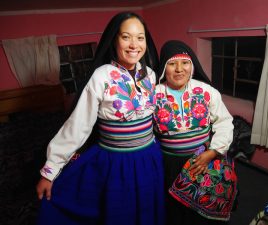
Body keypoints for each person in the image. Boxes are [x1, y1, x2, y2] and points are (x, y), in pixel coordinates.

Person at [36, 11, 165, 225]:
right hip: (117, 162)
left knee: (148, 210)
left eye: (140, 37)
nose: (134, 44)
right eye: (126, 37)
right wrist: (49, 171)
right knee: (120, 214)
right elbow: (78, 125)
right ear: (114, 40)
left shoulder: (149, 75)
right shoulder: (101, 76)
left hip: (149, 158)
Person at [153, 40, 238, 225]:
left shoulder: (207, 92)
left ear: (192, 66)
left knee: (201, 213)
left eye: (185, 63)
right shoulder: (153, 94)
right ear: (163, 68)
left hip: (203, 159)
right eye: (172, 63)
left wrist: (213, 152)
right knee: (174, 210)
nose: (179, 69)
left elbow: (225, 122)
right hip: (169, 164)